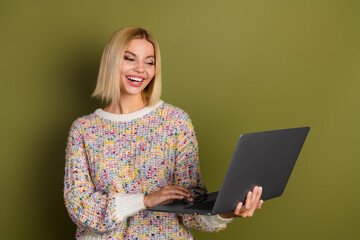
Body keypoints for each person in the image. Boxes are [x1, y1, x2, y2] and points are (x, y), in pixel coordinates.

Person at [64, 26, 263, 239]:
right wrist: (145, 200)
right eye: (130, 59)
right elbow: (79, 206)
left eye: (149, 62)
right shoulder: (84, 130)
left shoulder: (175, 122)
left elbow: (190, 207)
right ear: (111, 62)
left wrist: (227, 212)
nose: (141, 69)